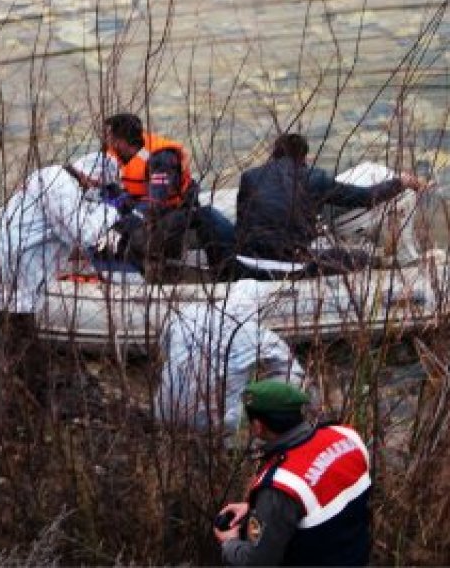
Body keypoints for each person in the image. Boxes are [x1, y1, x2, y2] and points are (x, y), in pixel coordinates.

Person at [0, 152, 126, 401]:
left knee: (17, 327)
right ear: (93, 177)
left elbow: (66, 224)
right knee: (18, 330)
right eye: (98, 184)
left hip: (13, 262)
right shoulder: (62, 188)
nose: (96, 189)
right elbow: (83, 233)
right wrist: (112, 210)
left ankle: (27, 385)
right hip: (14, 266)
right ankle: (31, 393)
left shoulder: (53, 175)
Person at [213, 380, 372, 566]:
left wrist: (229, 543)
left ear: (257, 426)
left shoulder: (281, 485)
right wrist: (258, 509)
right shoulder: (346, 435)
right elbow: (326, 490)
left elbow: (257, 562)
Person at [236, 133, 427, 272]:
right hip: (290, 263)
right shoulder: (315, 177)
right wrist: (400, 182)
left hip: (246, 260)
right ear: (303, 157)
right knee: (360, 258)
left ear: (274, 154)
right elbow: (364, 197)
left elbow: (243, 220)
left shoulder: (249, 177)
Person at [154, 282, 306, 433]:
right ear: (259, 307)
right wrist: (265, 397)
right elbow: (292, 372)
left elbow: (164, 346)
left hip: (164, 412)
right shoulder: (256, 333)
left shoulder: (188, 314)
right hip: (215, 423)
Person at [96, 113, 235, 278]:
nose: (107, 141)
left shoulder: (161, 158)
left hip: (174, 209)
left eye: (110, 137)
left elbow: (156, 204)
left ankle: (155, 273)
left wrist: (122, 226)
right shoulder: (114, 154)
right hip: (135, 203)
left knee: (134, 236)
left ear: (121, 141)